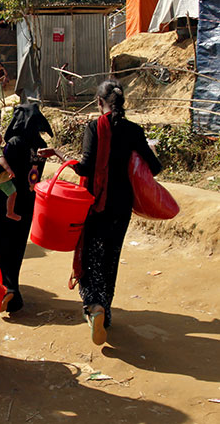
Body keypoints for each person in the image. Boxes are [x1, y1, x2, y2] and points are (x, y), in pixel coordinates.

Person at [38, 79, 162, 345]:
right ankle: (105, 314)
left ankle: (94, 305)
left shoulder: (95, 127)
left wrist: (59, 154)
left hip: (96, 203)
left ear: (98, 102)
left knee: (92, 254)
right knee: (111, 258)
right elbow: (155, 167)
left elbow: (84, 168)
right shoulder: (134, 130)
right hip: (122, 204)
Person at [0, 103, 56, 314]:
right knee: (15, 250)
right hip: (26, 205)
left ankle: (2, 290)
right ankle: (12, 294)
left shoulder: (14, 143)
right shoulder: (40, 145)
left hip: (3, 203)